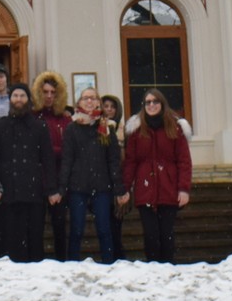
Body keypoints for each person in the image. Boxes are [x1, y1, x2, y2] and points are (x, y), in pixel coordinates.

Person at [123, 93, 194, 263]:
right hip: (145, 189)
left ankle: (168, 266)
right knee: (150, 234)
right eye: (148, 102)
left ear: (162, 104)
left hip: (168, 188)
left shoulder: (174, 128)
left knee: (166, 233)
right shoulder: (137, 131)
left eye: (155, 101)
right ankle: (153, 267)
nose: (151, 105)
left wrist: (184, 189)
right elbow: (130, 161)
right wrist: (124, 188)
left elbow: (184, 161)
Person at [56, 90, 126, 263]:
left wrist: (119, 188)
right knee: (76, 230)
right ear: (79, 102)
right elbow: (67, 160)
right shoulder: (72, 128)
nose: (89, 101)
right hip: (77, 187)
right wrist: (61, 187)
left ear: (98, 103)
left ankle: (108, 264)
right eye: (85, 98)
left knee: (104, 230)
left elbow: (113, 160)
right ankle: (72, 265)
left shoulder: (106, 127)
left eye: (93, 98)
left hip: (102, 187)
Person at [0, 83, 54, 263]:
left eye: (22, 96)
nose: (18, 100)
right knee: (8, 238)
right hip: (8, 189)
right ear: (10, 100)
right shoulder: (0, 125)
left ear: (28, 100)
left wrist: (51, 188)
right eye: (15, 96)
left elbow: (47, 159)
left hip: (33, 190)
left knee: (33, 237)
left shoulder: (39, 126)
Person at [33, 71, 70, 259]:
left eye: (52, 92)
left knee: (59, 226)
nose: (48, 96)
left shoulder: (65, 119)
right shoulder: (33, 117)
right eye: (45, 92)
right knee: (36, 226)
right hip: (38, 181)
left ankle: (62, 261)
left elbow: (70, 150)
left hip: (59, 180)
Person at [100, 93, 128, 259]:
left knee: (116, 225)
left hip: (120, 182)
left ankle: (118, 256)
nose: (109, 110)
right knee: (107, 226)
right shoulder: (99, 128)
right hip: (103, 181)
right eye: (106, 106)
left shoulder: (124, 130)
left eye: (112, 107)